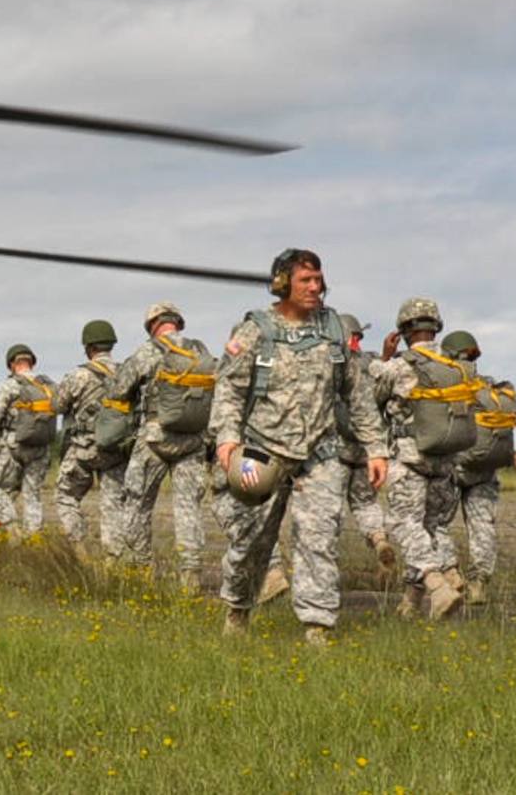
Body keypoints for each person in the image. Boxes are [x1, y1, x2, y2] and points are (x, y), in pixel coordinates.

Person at [211, 248, 389, 645]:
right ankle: (238, 611)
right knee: (250, 542)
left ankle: (317, 628)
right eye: (306, 280)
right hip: (262, 451)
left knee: (319, 539)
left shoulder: (334, 329)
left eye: (318, 279)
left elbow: (357, 394)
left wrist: (376, 447)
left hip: (320, 454)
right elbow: (228, 390)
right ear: (281, 284)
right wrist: (227, 438)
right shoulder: (255, 330)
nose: (315, 287)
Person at [369, 299, 471, 619]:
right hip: (446, 460)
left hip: (410, 457)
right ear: (435, 325)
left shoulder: (401, 366)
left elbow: (371, 397)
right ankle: (419, 598)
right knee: (434, 526)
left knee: (404, 524)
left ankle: (436, 583)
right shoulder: (455, 366)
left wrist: (384, 358)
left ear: (404, 329)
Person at [111, 302, 216, 588]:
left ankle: (139, 571)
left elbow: (119, 389)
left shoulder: (146, 352)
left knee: (137, 503)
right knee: (188, 508)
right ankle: (191, 576)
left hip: (155, 438)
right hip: (193, 440)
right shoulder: (199, 350)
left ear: (152, 325)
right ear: (178, 323)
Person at [441, 330, 513, 605]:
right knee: (483, 526)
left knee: (437, 523)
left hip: (453, 466)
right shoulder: (490, 386)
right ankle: (479, 580)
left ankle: (451, 574)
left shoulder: (448, 385)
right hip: (485, 470)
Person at [53, 321, 128, 553]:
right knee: (113, 505)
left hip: (84, 448)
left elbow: (56, 405)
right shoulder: (126, 371)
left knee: (65, 496)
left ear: (88, 347)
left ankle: (80, 549)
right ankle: (112, 559)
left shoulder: (79, 375)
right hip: (117, 448)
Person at [336, 313, 397, 576]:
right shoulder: (371, 361)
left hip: (335, 449)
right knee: (365, 503)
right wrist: (386, 356)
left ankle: (326, 563)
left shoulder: (332, 361)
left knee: (331, 507)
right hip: (366, 450)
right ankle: (379, 538)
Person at [0, 344, 57, 534]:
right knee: (33, 494)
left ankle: (12, 529)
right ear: (32, 363)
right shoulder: (48, 386)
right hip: (42, 447)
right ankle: (33, 538)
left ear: (12, 364)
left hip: (14, 445)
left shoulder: (8, 386)